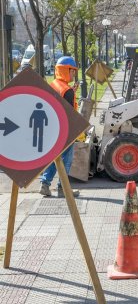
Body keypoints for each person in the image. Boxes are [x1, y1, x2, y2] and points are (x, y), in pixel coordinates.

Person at [39, 56, 80, 198]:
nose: (74, 74)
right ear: (65, 70)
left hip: (52, 129)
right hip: (65, 130)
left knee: (54, 157)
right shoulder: (67, 90)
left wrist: (72, 91)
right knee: (66, 159)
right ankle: (63, 188)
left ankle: (45, 184)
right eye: (72, 71)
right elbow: (68, 113)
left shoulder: (53, 84)